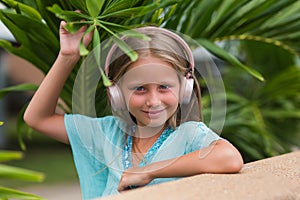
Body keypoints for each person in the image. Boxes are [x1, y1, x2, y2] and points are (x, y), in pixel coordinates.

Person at [24, 21, 244, 199]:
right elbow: (37, 118)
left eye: (164, 87)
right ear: (116, 93)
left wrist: (149, 170)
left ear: (184, 89)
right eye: (140, 89)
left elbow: (229, 158)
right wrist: (68, 56)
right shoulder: (107, 134)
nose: (153, 101)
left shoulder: (189, 135)